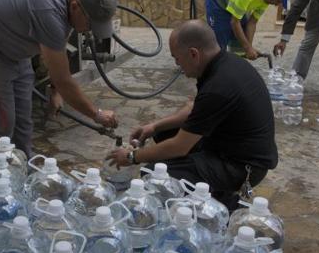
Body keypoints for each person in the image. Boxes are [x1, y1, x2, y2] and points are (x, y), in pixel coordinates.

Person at [106, 20, 278, 210]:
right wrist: (154, 127)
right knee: (163, 134)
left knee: (154, 174)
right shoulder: (225, 64)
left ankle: (225, 206)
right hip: (231, 147)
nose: (177, 64)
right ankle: (204, 186)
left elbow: (180, 146)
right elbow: (195, 110)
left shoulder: (219, 86)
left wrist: (132, 157)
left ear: (194, 54)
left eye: (177, 58)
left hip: (241, 167)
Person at [0, 0, 119, 156]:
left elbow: (58, 52)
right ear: (76, 6)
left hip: (18, 51)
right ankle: (0, 177)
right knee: (3, 124)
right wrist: (98, 114)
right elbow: (63, 79)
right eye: (90, 24)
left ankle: (25, 172)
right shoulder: (48, 10)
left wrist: (55, 91)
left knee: (23, 123)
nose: (89, 31)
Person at [206, 0, 295, 59]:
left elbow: (252, 22)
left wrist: (249, 48)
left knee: (241, 38)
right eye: (278, 1)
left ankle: (235, 66)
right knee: (220, 38)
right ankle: (216, 68)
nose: (276, 4)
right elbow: (235, 22)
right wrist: (248, 48)